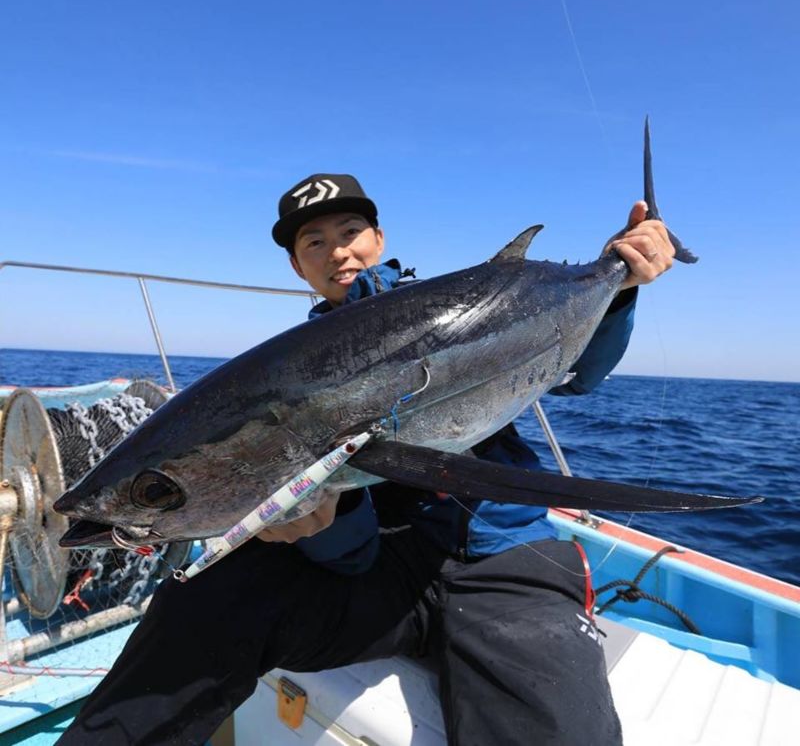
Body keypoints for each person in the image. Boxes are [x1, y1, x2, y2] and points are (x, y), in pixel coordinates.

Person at [59, 173, 675, 746]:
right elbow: (352, 554)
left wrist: (618, 288)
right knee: (200, 604)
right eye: (315, 241)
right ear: (298, 265)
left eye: (351, 232)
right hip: (386, 576)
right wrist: (321, 528)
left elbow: (577, 374)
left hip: (503, 559)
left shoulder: (461, 304)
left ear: (378, 239)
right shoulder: (288, 368)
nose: (338, 251)